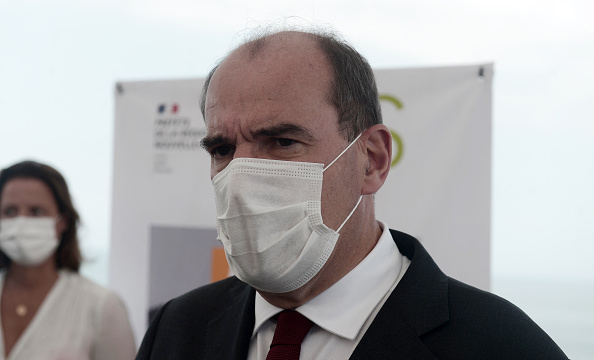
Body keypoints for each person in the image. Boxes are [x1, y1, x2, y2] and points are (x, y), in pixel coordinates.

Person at [136, 28, 568, 359]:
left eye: (283, 142)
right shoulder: (176, 329)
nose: (242, 179)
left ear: (372, 160)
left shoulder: (502, 346)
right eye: (222, 149)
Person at [0, 160, 136, 360]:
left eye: (36, 211)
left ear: (62, 221)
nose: (22, 222)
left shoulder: (102, 306)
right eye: (10, 211)